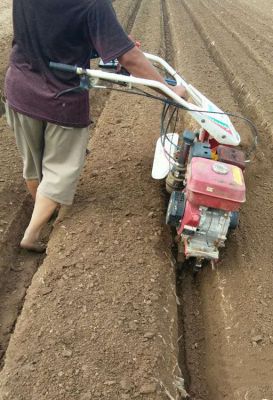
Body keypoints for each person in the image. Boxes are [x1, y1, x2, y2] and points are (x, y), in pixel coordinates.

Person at [4, 0, 186, 252]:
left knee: (33, 162)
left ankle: (45, 211)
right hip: (61, 100)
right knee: (60, 172)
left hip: (20, 89)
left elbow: (53, 33)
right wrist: (169, 90)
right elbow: (129, 57)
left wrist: (108, 41)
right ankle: (32, 234)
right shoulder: (94, 3)